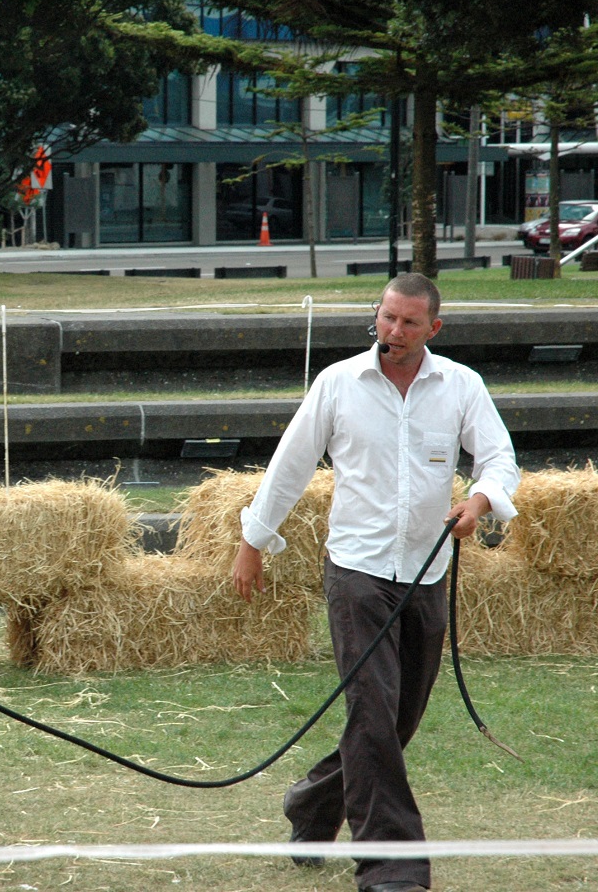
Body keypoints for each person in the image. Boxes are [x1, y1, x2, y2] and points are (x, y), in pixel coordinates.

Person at [231, 274, 519, 892]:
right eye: (387, 318)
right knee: (371, 714)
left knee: (397, 720)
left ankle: (312, 806)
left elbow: (498, 458)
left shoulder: (462, 387)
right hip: (356, 573)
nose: (395, 331)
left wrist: (481, 499)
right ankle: (392, 867)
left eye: (410, 323)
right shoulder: (337, 383)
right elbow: (291, 463)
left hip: (426, 573)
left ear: (433, 329)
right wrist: (253, 540)